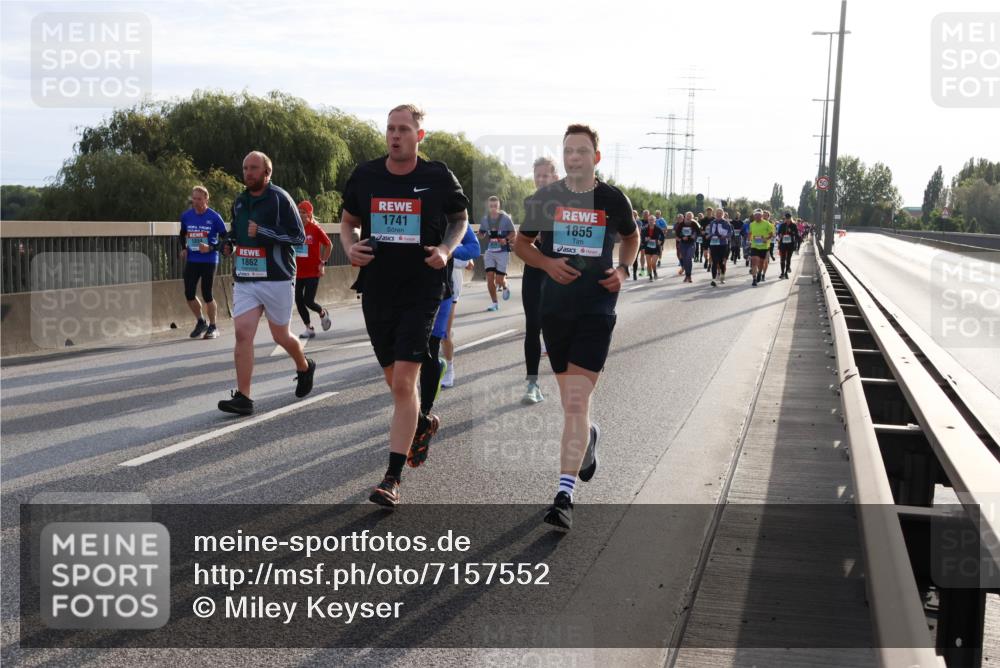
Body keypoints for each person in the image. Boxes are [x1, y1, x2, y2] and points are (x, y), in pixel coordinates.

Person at [340, 104, 469, 508]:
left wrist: (447, 250)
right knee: (396, 382)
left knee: (403, 383)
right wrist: (350, 246)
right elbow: (347, 221)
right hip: (377, 288)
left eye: (403, 129)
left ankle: (391, 478)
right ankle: (423, 421)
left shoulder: (437, 176)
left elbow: (460, 218)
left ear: (419, 135)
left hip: (423, 287)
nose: (395, 135)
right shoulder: (366, 175)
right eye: (390, 129)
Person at [515, 123, 639, 531]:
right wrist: (547, 263)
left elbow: (631, 237)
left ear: (595, 157)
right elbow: (521, 244)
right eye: (568, 151)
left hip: (597, 309)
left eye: (582, 151)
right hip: (556, 310)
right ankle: (587, 440)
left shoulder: (611, 198)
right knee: (573, 405)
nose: (573, 158)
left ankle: (563, 495)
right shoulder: (546, 198)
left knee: (574, 403)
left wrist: (623, 268)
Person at [217, 152, 314, 416]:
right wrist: (227, 243)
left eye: (254, 168)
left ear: (267, 173)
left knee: (280, 336)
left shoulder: (280, 199)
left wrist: (262, 232)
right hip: (247, 278)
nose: (248, 173)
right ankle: (244, 397)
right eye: (245, 168)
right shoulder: (240, 201)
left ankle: (304, 366)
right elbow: (235, 232)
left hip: (277, 277)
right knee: (242, 334)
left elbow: (298, 236)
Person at [418, 221, 480, 414]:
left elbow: (474, 248)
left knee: (442, 335)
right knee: (417, 344)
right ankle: (434, 371)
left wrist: (450, 251)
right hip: (416, 288)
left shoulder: (456, 218)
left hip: (447, 285)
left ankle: (447, 370)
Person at [521, 155, 560, 404]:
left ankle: (569, 379)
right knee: (533, 326)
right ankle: (532, 383)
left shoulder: (570, 202)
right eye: (537, 176)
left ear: (556, 178)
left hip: (559, 270)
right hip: (535, 268)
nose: (541, 180)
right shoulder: (532, 202)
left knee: (558, 327)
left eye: (546, 175)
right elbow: (526, 238)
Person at [179, 185, 228, 340]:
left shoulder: (214, 217)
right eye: (193, 198)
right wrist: (184, 248)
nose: (196, 202)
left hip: (209, 259)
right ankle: (201, 321)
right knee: (189, 293)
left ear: (206, 199)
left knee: (207, 293)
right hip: (193, 259)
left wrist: (211, 247)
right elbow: (182, 233)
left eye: (199, 199)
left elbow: (226, 240)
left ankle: (213, 326)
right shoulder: (186, 216)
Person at [294, 200, 333, 338]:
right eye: (298, 212)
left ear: (309, 214)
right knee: (298, 300)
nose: (300, 214)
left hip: (312, 272)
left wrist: (322, 263)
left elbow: (328, 245)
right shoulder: (295, 228)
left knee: (308, 301)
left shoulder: (315, 229)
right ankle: (309, 328)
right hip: (298, 272)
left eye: (303, 212)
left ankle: (322, 312)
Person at [480, 196, 516, 311]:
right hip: (490, 251)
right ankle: (494, 303)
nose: (493, 208)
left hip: (503, 252)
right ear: (488, 206)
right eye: (491, 206)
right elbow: (482, 232)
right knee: (490, 278)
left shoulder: (505, 219)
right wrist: (480, 235)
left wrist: (505, 240)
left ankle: (505, 286)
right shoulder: (485, 220)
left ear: (499, 206)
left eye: (495, 206)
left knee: (499, 280)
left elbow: (513, 233)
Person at [748, 208, 774, 287]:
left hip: (763, 247)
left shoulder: (767, 224)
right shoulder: (752, 224)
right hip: (754, 246)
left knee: (761, 263)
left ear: (762, 215)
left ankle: (759, 273)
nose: (757, 216)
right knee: (754, 261)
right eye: (755, 215)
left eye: (759, 215)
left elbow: (771, 234)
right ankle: (754, 279)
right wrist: (749, 240)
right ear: (754, 216)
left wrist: (765, 239)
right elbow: (750, 233)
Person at [707, 210, 734, 287]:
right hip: (714, 243)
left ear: (722, 214)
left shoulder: (726, 223)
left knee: (721, 261)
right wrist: (708, 235)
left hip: (723, 244)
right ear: (715, 214)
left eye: (720, 214)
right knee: (714, 261)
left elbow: (730, 233)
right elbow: (710, 232)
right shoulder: (712, 223)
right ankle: (713, 279)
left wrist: (725, 236)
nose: (718, 215)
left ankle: (722, 275)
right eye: (717, 213)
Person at [675, 211, 700, 283]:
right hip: (683, 244)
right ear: (685, 217)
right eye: (687, 216)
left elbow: (699, 232)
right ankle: (687, 275)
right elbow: (677, 233)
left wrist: (694, 235)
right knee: (685, 259)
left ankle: (689, 275)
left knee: (688, 258)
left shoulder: (694, 223)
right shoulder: (681, 224)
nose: (689, 218)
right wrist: (682, 237)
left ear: (692, 218)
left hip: (691, 243)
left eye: (690, 217)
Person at [640, 212, 665, 281]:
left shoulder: (658, 228)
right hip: (648, 248)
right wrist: (645, 239)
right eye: (649, 220)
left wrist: (660, 241)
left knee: (653, 263)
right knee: (648, 263)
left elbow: (663, 236)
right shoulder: (644, 229)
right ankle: (650, 276)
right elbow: (642, 237)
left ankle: (655, 272)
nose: (651, 221)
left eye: (652, 220)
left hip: (655, 248)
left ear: (655, 221)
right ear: (648, 221)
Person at [777, 212, 800, 279]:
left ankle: (786, 272)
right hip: (783, 244)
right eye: (786, 218)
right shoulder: (782, 225)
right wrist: (780, 235)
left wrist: (791, 232)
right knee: (782, 259)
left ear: (790, 218)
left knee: (788, 259)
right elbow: (778, 233)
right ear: (785, 218)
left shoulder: (793, 225)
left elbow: (796, 234)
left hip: (790, 244)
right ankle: (782, 273)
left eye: (788, 218)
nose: (787, 220)